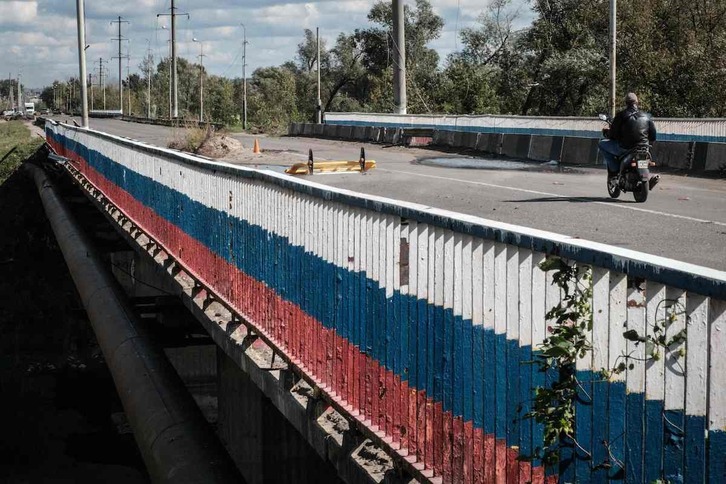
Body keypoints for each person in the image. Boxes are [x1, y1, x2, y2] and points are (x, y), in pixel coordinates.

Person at [598, 93, 659, 187]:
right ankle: (646, 179)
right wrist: (647, 144)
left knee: (602, 144)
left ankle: (614, 171)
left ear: (626, 103)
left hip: (625, 148)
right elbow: (653, 135)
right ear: (637, 102)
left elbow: (613, 134)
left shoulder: (621, 115)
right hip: (644, 148)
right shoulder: (646, 117)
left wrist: (607, 133)